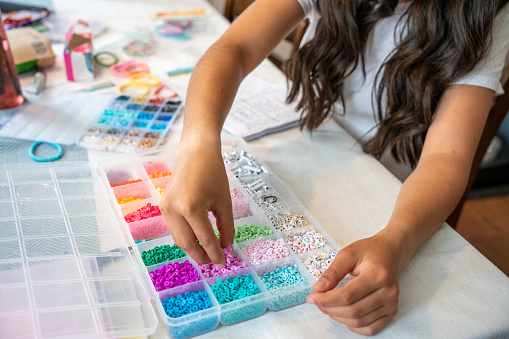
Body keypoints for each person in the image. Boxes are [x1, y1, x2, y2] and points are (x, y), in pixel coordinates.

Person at [160, 0, 509, 335]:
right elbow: (234, 46)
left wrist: (396, 240)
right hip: (313, 150)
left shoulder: (487, 11)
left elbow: (447, 155)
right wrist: (198, 145)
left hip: (390, 190)